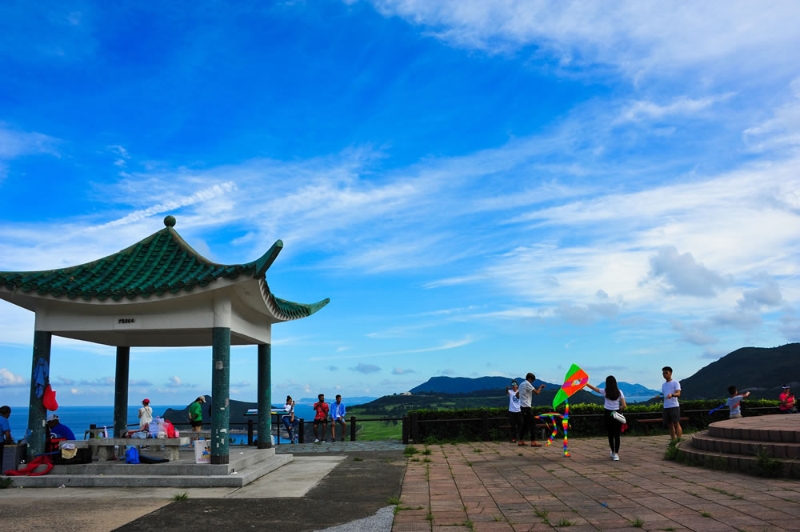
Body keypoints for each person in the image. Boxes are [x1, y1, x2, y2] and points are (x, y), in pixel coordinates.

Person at [584, 376, 626, 461]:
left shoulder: (605, 391)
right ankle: (616, 454)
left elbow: (594, 388)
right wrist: (619, 409)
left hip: (608, 414)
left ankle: (613, 452)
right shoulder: (619, 392)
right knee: (617, 435)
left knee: (610, 434)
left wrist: (584, 383)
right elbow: (624, 405)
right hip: (617, 414)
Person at [518, 372, 545, 447]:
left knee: (525, 424)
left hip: (522, 406)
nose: (532, 382)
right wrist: (540, 387)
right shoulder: (527, 384)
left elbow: (517, 395)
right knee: (532, 424)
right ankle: (533, 441)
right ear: (530, 378)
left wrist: (522, 397)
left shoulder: (521, 384)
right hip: (527, 406)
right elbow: (537, 392)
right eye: (532, 380)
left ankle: (520, 440)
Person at [661, 366, 682, 440]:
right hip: (666, 406)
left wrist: (672, 395)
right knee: (670, 424)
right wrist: (659, 396)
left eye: (666, 373)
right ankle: (673, 440)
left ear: (671, 373)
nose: (664, 375)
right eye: (663, 373)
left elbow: (678, 393)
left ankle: (679, 439)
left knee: (676, 423)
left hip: (674, 406)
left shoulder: (675, 382)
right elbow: (664, 394)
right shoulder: (663, 385)